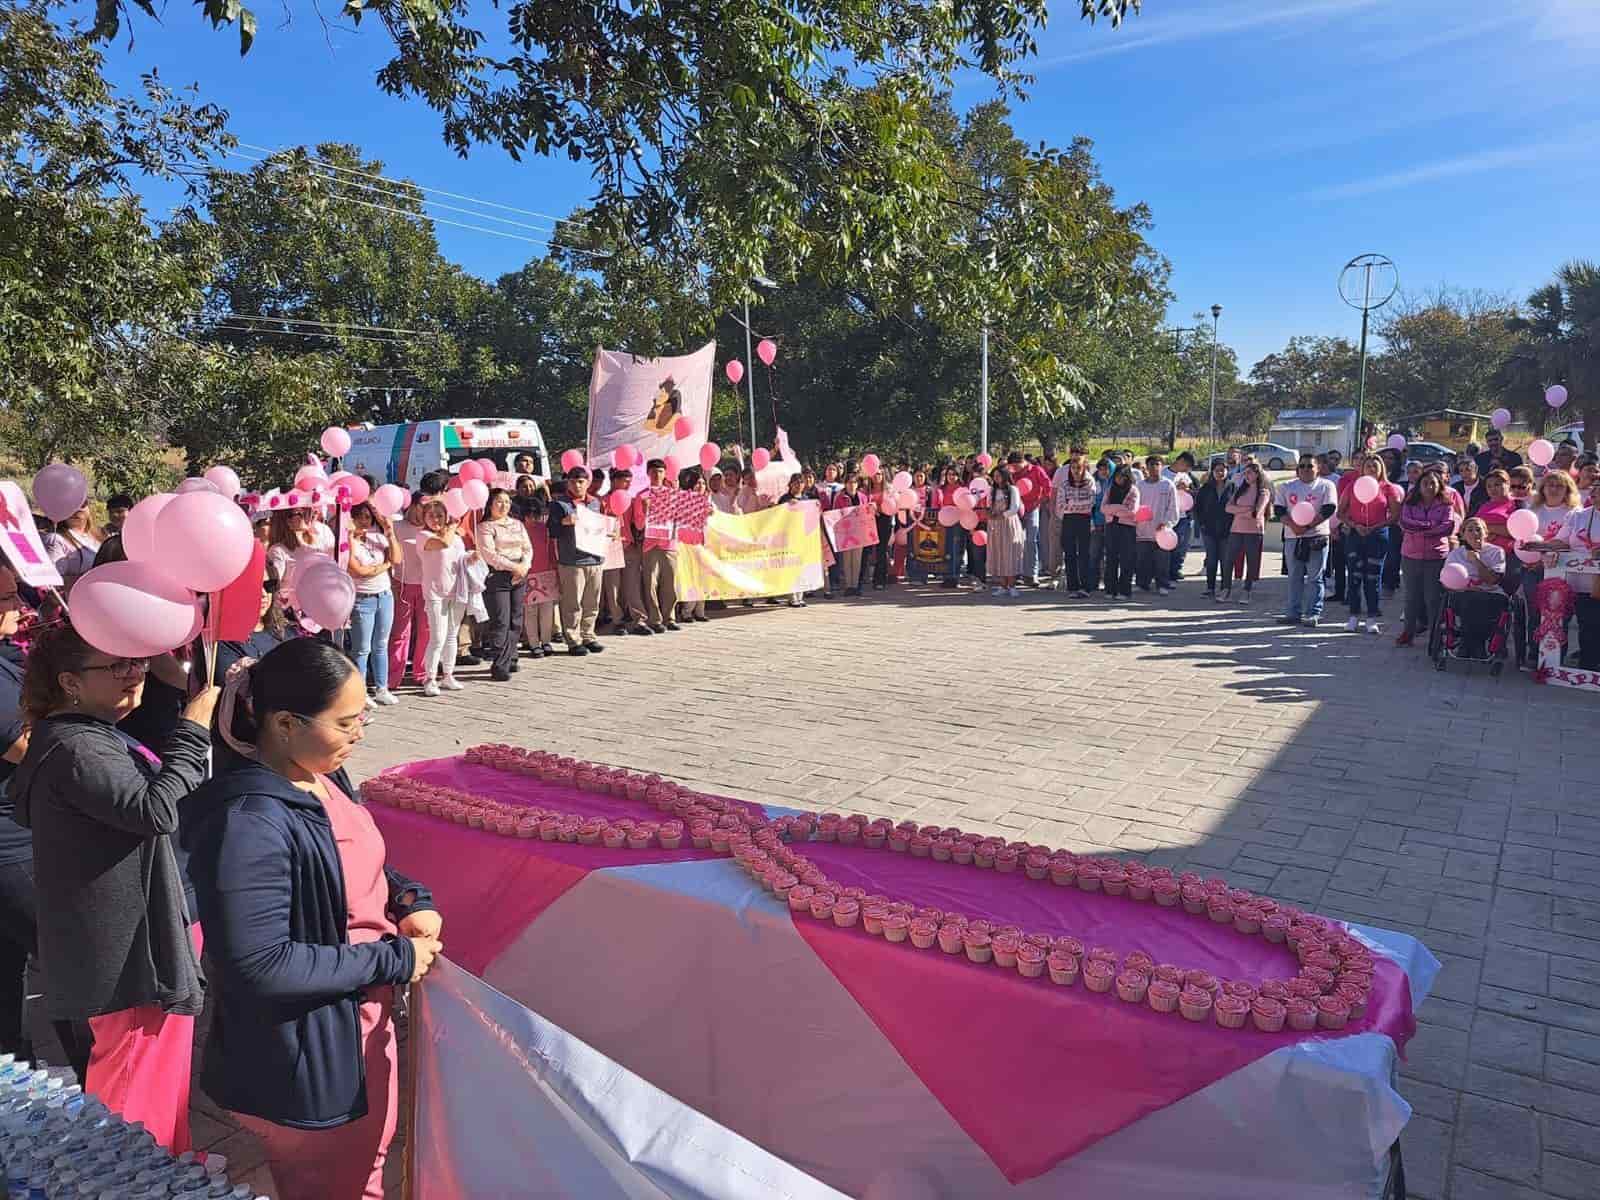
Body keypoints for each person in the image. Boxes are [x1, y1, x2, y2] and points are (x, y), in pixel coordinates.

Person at [182, 639, 441, 1200]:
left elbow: (349, 857)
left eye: (363, 717)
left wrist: (407, 899)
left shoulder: (320, 775)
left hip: (355, 1024)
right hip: (309, 1050)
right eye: (345, 722)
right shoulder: (249, 823)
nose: (360, 734)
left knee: (365, 1171)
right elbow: (261, 964)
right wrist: (396, 957)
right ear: (283, 723)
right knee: (330, 1184)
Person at [11, 622, 219, 1148]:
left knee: (155, 1075)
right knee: (133, 1082)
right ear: (70, 682)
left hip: (130, 937)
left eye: (136, 661)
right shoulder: (80, 745)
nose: (133, 673)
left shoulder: (94, 731)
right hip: (127, 953)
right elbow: (152, 809)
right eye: (115, 666)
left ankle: (163, 1167)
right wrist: (193, 733)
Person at [0, 568, 36, 1062]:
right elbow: (25, 746)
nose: (19, 604)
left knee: (9, 964)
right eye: (8, 597)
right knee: (75, 964)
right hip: (12, 845)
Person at [387, 471, 447, 691]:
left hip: (426, 587)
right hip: (402, 585)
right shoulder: (396, 526)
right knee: (400, 632)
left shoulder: (430, 530)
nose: (422, 512)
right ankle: (393, 676)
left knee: (426, 631)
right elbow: (389, 555)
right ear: (410, 505)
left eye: (427, 508)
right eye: (419, 507)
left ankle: (421, 673)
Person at [1337, 453, 1403, 635]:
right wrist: (1354, 525)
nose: (1372, 469)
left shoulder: (1389, 488)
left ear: (1382, 468)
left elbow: (1396, 516)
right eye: (1368, 466)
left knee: (1372, 577)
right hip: (1355, 536)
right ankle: (1353, 617)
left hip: (1378, 536)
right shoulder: (1352, 486)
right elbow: (1340, 513)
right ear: (1362, 469)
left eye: (1375, 466)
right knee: (1354, 575)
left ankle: (1372, 617)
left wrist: (1375, 526)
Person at [345, 502, 401, 706]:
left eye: (367, 517)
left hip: (384, 596)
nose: (363, 521)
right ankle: (360, 692)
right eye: (359, 516)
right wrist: (384, 565)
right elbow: (357, 570)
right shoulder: (348, 542)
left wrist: (390, 533)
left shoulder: (377, 537)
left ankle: (381, 687)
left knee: (381, 644)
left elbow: (397, 558)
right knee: (361, 648)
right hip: (363, 598)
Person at [1275, 455, 1339, 627]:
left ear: (1318, 468)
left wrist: (1308, 525)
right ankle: (1292, 612)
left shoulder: (1327, 486)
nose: (1305, 469)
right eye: (1301, 466)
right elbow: (1279, 510)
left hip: (1317, 536)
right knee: (1294, 576)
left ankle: (1313, 613)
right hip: (1292, 537)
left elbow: (1329, 508)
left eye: (1309, 466)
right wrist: (1294, 527)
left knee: (1315, 577)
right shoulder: (1286, 487)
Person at [477, 487, 533, 680]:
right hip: (498, 576)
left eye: (507, 502)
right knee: (501, 620)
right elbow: (490, 554)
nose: (504, 505)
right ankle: (499, 663)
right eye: (499, 501)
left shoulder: (517, 524)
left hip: (520, 573)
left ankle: (511, 656)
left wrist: (524, 566)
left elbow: (527, 547)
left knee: (516, 619)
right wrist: (513, 568)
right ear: (490, 504)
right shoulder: (485, 527)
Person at [550, 466, 607, 655]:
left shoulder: (595, 503)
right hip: (572, 561)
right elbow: (552, 531)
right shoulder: (559, 504)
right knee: (572, 603)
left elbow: (602, 525)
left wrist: (610, 531)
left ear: (588, 483)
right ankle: (573, 639)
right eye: (573, 481)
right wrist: (563, 522)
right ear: (568, 482)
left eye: (581, 481)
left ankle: (588, 635)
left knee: (592, 602)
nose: (577, 485)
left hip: (594, 558)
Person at [1396, 470, 1457, 647]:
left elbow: (1446, 528)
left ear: (1439, 486)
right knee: (1411, 597)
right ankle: (1408, 632)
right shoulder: (1410, 502)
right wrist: (1430, 526)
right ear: (1419, 485)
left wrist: (1421, 528)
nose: (1429, 487)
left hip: (1435, 557)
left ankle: (1436, 635)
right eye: (1425, 483)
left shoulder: (1446, 504)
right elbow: (1406, 523)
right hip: (1410, 555)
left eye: (1433, 483)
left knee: (1433, 598)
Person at [416, 499, 471, 695]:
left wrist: (472, 558)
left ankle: (448, 674)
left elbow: (460, 559)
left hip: (456, 591)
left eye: (440, 515)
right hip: (434, 593)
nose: (436, 519)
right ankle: (429, 678)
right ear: (424, 518)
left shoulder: (456, 538)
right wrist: (455, 525)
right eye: (431, 516)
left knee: (451, 635)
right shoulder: (423, 536)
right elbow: (443, 543)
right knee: (437, 637)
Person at [1442, 518, 1508, 658]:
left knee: (1478, 601)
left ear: (1486, 533)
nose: (1475, 533)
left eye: (1478, 529)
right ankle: (1472, 644)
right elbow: (1446, 582)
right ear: (1463, 535)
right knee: (1469, 600)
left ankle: (1472, 644)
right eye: (1470, 530)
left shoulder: (1496, 552)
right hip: (1463, 594)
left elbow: (1492, 580)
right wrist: (1466, 587)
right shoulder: (1455, 554)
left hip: (1491, 594)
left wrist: (1476, 561)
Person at [636, 460, 681, 631]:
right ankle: (655, 619)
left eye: (660, 471)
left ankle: (670, 617)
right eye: (654, 471)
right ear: (648, 473)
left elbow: (680, 519)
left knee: (670, 583)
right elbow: (639, 526)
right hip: (650, 545)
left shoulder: (673, 495)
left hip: (669, 544)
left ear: (665, 473)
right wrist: (644, 510)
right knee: (650, 583)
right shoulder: (641, 496)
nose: (657, 474)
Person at [1219, 462, 1270, 605]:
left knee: (1251, 561)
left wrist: (1240, 510)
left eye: (1249, 473)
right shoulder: (1240, 490)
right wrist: (1245, 509)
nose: (1246, 476)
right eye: (1245, 473)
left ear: (1257, 474)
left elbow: (1257, 512)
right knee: (1228, 560)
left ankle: (1247, 590)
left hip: (1254, 531)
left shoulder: (1263, 492)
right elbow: (1228, 508)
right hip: (1236, 530)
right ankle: (1225, 589)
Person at [519, 489, 560, 656]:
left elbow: (551, 549)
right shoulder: (519, 530)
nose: (533, 518)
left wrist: (554, 568)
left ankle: (546, 641)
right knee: (530, 611)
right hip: (527, 574)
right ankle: (534, 643)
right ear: (524, 515)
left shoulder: (545, 529)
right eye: (530, 515)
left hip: (546, 573)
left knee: (547, 610)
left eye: (536, 515)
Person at [1134, 456, 1179, 596]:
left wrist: (1166, 523)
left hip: (1162, 532)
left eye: (1157, 464)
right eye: (1151, 465)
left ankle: (1162, 584)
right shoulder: (1140, 486)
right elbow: (1135, 506)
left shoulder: (1168, 485)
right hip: (1143, 530)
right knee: (1143, 559)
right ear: (1146, 467)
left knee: (1162, 560)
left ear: (1162, 466)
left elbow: (1173, 507)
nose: (1154, 467)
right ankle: (1143, 584)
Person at [1055, 454, 1098, 598]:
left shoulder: (1090, 482)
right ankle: (1072, 586)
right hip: (1068, 520)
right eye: (1073, 468)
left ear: (1084, 467)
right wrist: (1073, 506)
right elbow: (1061, 505)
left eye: (1078, 468)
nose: (1076, 471)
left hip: (1084, 520)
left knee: (1084, 554)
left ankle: (1085, 586)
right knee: (1069, 554)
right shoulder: (1065, 484)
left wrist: (1072, 504)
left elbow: (1090, 503)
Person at [1007, 451, 1051, 586]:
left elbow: (1048, 485)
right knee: (1015, 542)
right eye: (1012, 467)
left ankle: (1031, 574)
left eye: (1016, 466)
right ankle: (1016, 573)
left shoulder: (1037, 470)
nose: (1014, 469)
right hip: (1015, 510)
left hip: (1032, 509)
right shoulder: (1011, 473)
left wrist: (1043, 500)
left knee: (1031, 541)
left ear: (1022, 462)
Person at [1192, 461, 1234, 598]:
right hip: (1209, 531)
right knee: (1211, 560)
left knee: (1225, 560)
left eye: (1222, 470)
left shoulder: (1234, 487)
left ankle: (1225, 587)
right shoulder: (1206, 488)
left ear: (1227, 471)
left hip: (1227, 531)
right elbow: (1197, 509)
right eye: (1217, 470)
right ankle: (1210, 588)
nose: (1220, 473)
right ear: (1212, 472)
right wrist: (1202, 525)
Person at [1099, 465, 1140, 601]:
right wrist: (1120, 508)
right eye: (1117, 476)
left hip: (1127, 529)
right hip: (1112, 527)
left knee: (1126, 560)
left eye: (1122, 477)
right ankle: (1110, 589)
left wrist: (1114, 509)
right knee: (1111, 559)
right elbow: (1103, 508)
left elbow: (1132, 511)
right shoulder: (1110, 490)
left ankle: (1124, 590)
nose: (1119, 479)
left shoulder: (1133, 490)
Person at [985, 467, 1025, 598]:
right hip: (995, 525)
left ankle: (1012, 585)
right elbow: (988, 505)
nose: (996, 478)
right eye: (994, 476)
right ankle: (1002, 585)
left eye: (998, 476)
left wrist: (1002, 515)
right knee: (999, 553)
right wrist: (990, 514)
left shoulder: (1013, 489)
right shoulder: (992, 490)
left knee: (1011, 553)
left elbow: (1015, 508)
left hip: (1009, 524)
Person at [42, 507, 101, 593]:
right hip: (74, 599)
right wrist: (91, 578)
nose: (77, 509)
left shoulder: (98, 536)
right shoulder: (56, 539)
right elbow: (52, 582)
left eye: (82, 504)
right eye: (72, 506)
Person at [831, 474, 869, 597]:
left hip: (859, 531)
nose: (852, 485)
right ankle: (848, 586)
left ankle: (855, 585)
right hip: (845, 532)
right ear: (845, 484)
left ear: (857, 484)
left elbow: (867, 512)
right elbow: (834, 514)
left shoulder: (863, 497)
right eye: (849, 482)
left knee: (857, 559)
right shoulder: (839, 497)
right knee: (847, 559)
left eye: (854, 482)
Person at [1165, 452, 1198, 582]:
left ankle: (1176, 569)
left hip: (1184, 515)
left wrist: (1187, 489)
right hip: (1168, 516)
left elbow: (1194, 491)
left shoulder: (1185, 476)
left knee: (1182, 545)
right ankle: (1165, 571)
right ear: (1181, 461)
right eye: (1187, 466)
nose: (1187, 469)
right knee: (1168, 545)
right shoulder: (1164, 473)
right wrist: (1174, 487)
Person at [936, 466, 967, 588]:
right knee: (944, 550)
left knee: (957, 549)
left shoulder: (962, 490)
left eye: (954, 474)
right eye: (949, 474)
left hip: (958, 522)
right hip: (944, 522)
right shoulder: (941, 489)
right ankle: (946, 576)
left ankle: (955, 576)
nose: (951, 477)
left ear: (958, 476)